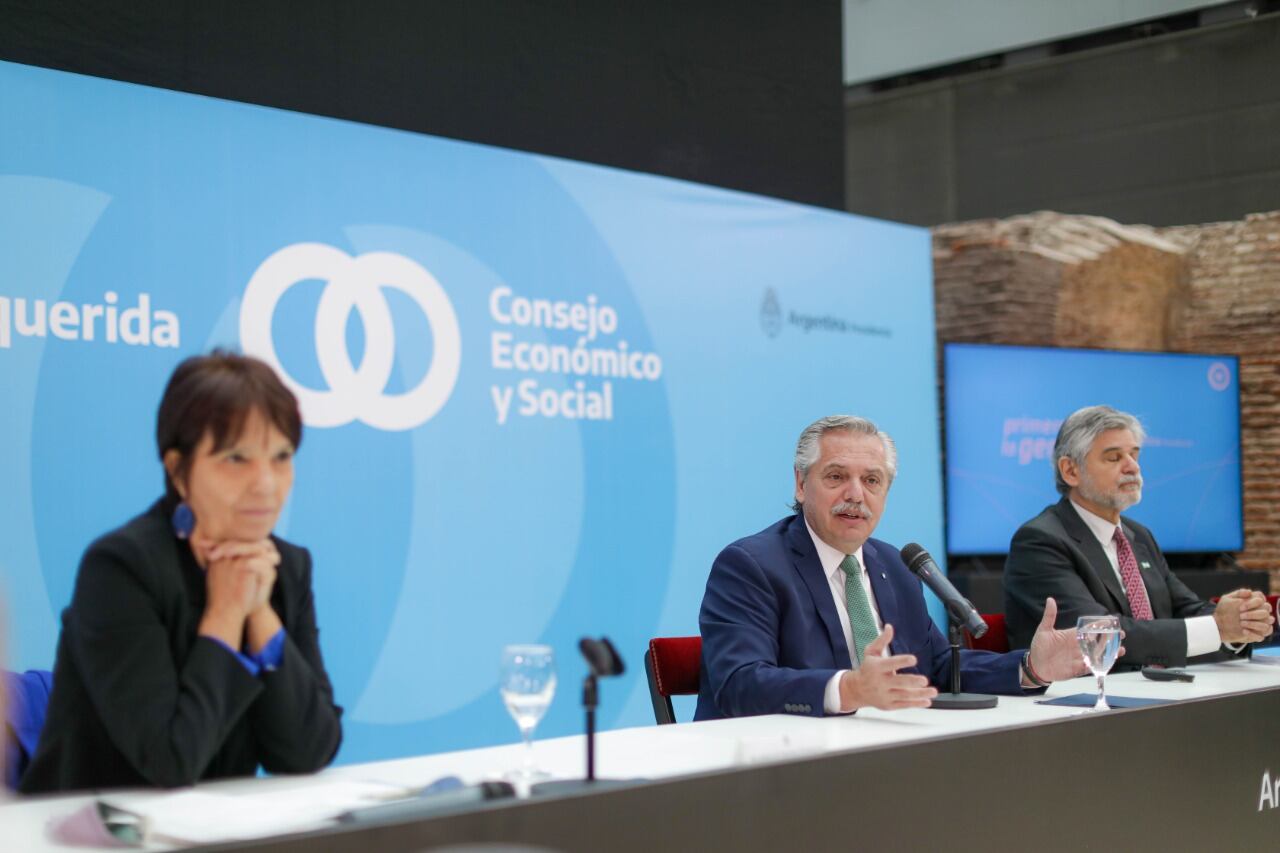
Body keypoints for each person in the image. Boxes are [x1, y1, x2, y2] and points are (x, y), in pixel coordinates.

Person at [21, 351, 342, 793]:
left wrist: (259, 612)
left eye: (281, 456)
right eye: (236, 459)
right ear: (178, 469)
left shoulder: (286, 567)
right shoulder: (120, 568)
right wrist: (226, 614)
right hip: (93, 833)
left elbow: (310, 751)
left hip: (215, 833)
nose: (266, 483)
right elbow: (171, 761)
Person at [696, 415, 1086, 721]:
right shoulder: (751, 566)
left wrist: (1029, 668)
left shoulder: (896, 566)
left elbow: (932, 667)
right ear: (801, 484)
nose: (855, 494)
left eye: (871, 480)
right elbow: (740, 683)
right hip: (774, 772)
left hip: (880, 757)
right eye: (836, 477)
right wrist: (848, 689)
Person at [1004, 405, 1273, 668]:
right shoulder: (1039, 541)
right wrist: (1217, 628)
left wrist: (1241, 623)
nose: (1132, 467)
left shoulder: (1138, 536)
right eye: (1114, 457)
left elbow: (1184, 608)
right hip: (1085, 702)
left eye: (1134, 455)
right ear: (1070, 471)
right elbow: (1098, 635)